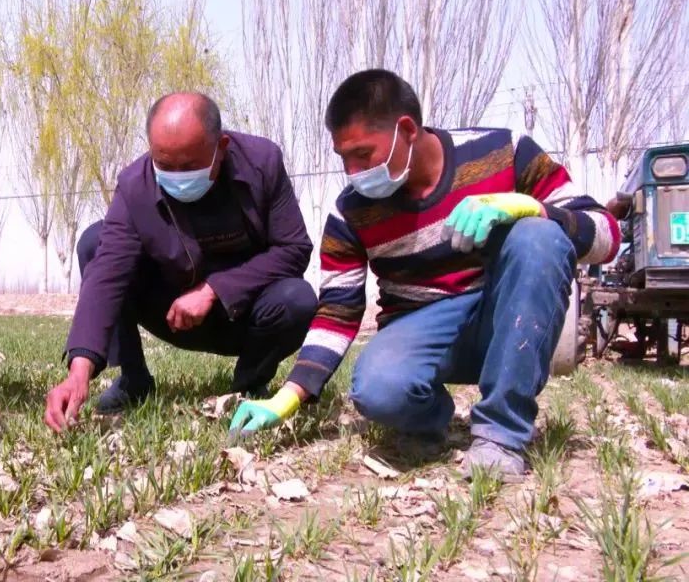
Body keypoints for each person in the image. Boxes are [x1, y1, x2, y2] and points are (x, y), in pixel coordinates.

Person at [229, 70, 620, 477]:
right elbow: (338, 311)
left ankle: (502, 434)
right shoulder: (351, 211)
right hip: (420, 325)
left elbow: (607, 236)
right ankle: (432, 419)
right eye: (343, 158)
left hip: (502, 312)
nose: (352, 171)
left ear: (406, 129)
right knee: (379, 389)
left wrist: (533, 208)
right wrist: (290, 395)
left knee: (539, 236)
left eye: (363, 154)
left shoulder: (505, 151)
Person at [44, 92, 316, 432]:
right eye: (164, 165)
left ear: (222, 146)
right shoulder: (134, 185)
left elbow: (293, 249)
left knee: (298, 299)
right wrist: (78, 371)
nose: (176, 175)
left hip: (245, 316)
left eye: (188, 166)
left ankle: (248, 384)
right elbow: (107, 274)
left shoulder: (263, 163)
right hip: (172, 313)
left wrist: (214, 290)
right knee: (94, 243)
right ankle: (134, 379)